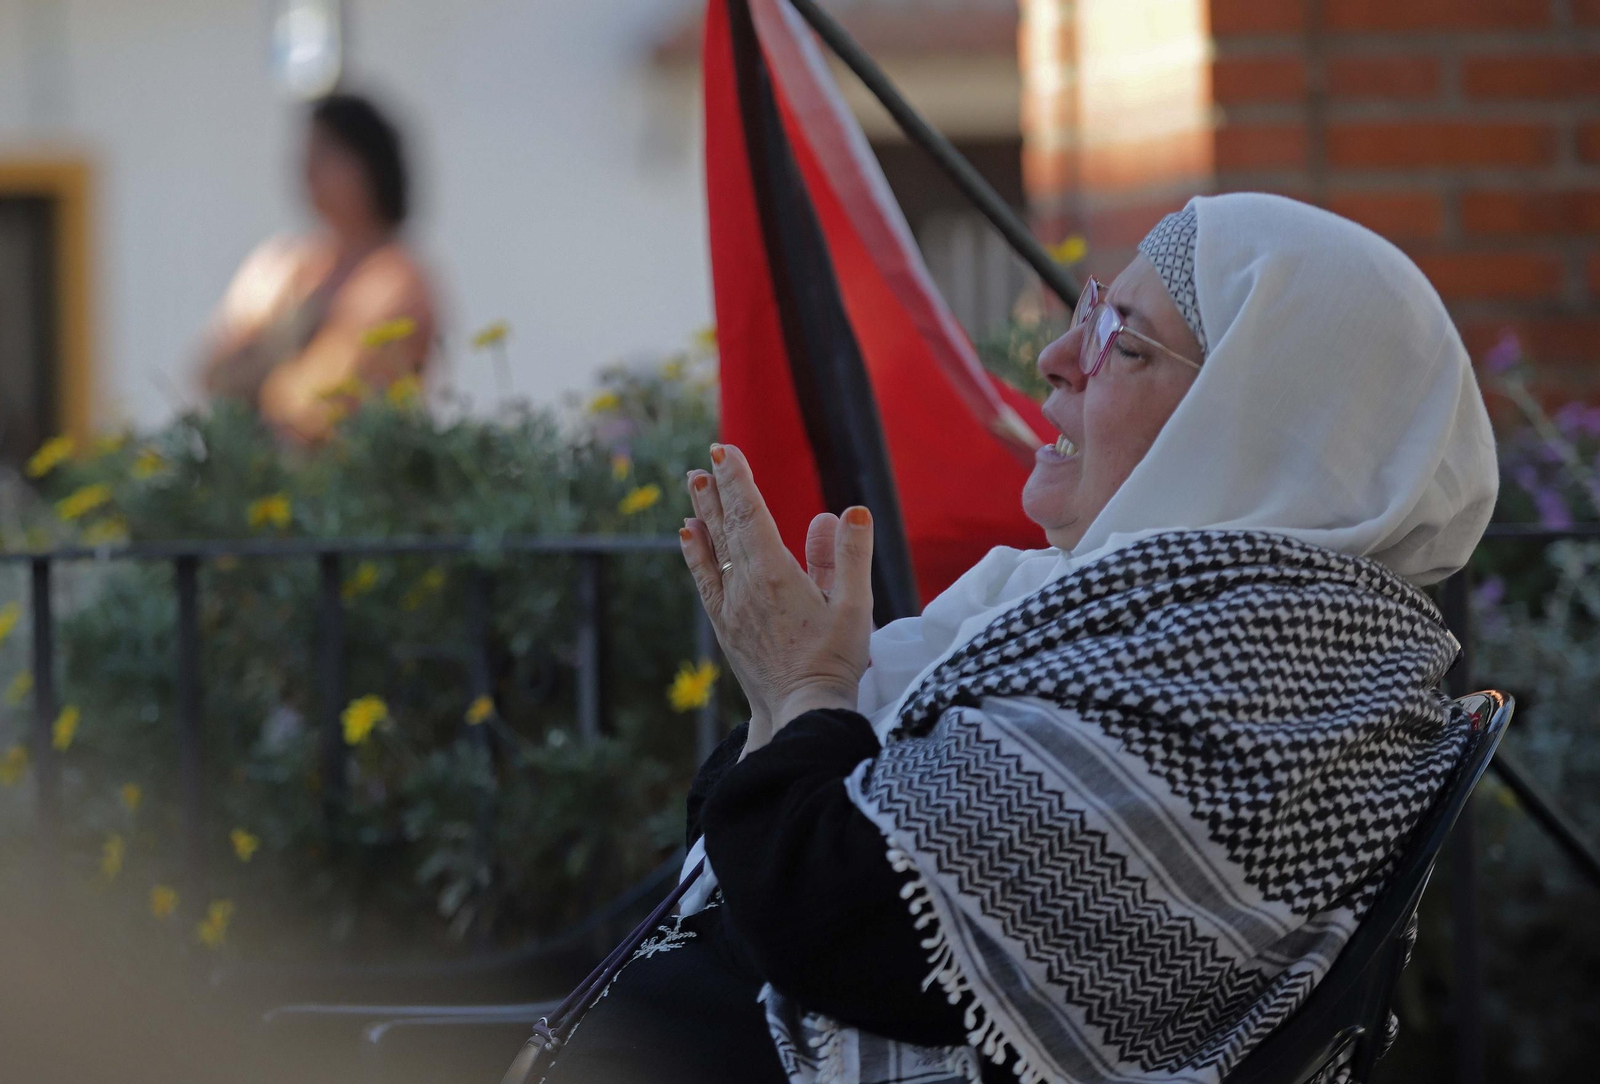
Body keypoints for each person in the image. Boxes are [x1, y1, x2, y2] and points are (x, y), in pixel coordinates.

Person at [540, 193, 1498, 1084]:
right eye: (1092, 310)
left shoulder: (1252, 676)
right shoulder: (1205, 622)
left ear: (1255, 430)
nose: (1058, 356)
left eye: (1125, 343)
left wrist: (807, 690)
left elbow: (845, 925)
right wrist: (785, 700)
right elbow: (770, 849)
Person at [199, 92, 435, 442]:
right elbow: (211, 375)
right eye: (306, 155)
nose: (306, 169)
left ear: (367, 165)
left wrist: (265, 355)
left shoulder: (396, 278)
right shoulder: (282, 263)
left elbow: (321, 402)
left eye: (325, 154)